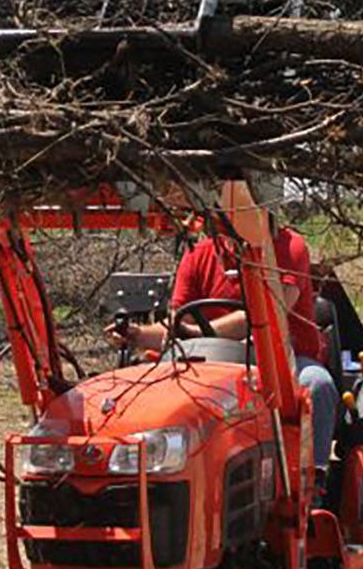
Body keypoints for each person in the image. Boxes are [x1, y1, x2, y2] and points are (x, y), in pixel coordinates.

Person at [111, 207, 339, 484]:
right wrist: (136, 334)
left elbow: (271, 311)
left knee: (317, 384)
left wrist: (195, 332)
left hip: (282, 361)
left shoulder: (288, 247)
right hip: (215, 364)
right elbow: (176, 326)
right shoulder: (198, 254)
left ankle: (310, 481)